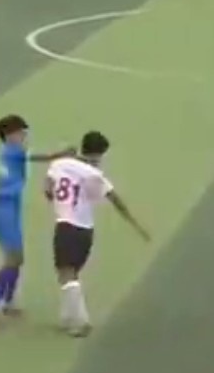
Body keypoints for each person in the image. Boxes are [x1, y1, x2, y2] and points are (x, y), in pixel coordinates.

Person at [45, 131, 150, 337]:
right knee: (70, 273)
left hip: (66, 224)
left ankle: (80, 321)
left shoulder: (59, 164)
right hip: (86, 230)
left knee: (66, 274)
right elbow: (115, 200)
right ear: (99, 154)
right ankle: (68, 318)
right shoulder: (94, 175)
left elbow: (48, 189)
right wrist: (136, 225)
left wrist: (58, 200)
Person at [0, 114, 74, 325]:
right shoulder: (11, 152)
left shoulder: (8, 152)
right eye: (20, 133)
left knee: (18, 259)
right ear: (9, 135)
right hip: (4, 210)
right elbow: (42, 157)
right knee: (12, 258)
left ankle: (8, 302)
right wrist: (62, 154)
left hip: (8, 208)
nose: (24, 136)